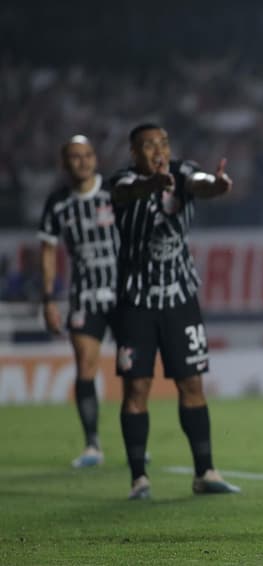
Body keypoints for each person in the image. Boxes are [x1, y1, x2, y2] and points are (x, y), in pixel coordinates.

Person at [109, 123, 240, 499]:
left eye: (163, 142)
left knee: (192, 384)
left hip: (181, 299)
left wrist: (217, 184)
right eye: (148, 145)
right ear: (134, 153)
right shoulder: (122, 180)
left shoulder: (183, 173)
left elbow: (200, 181)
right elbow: (125, 192)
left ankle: (205, 473)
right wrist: (151, 186)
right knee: (137, 386)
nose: (158, 149)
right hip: (136, 303)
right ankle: (139, 479)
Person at [38, 135, 119, 468]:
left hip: (124, 294)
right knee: (86, 363)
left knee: (134, 371)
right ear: (65, 162)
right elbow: (47, 252)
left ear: (95, 159)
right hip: (84, 295)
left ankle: (134, 440)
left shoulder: (115, 194)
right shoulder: (58, 203)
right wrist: (48, 299)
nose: (82, 161)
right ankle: (92, 445)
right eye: (75, 156)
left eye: (87, 155)